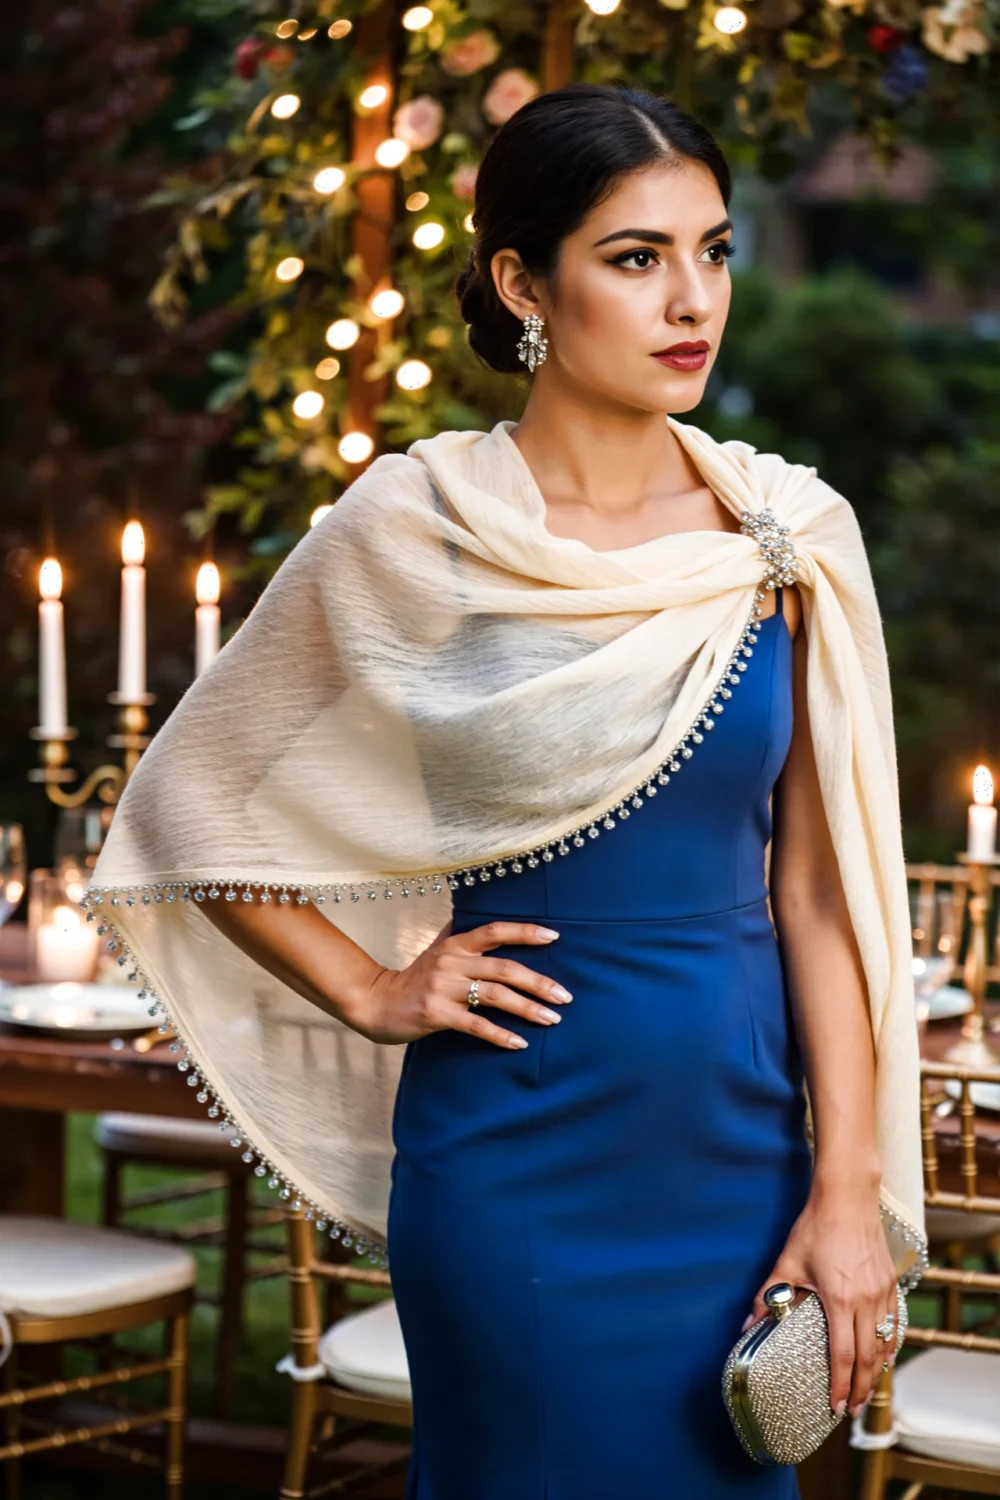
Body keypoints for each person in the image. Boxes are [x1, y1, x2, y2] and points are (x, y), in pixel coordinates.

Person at [85, 84, 927, 1499]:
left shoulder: (778, 541)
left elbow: (820, 902)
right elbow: (190, 803)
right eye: (635, 256)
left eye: (713, 251)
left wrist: (844, 1191)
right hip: (515, 1155)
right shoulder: (420, 528)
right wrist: (368, 988)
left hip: (740, 1153)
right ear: (523, 282)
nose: (689, 301)